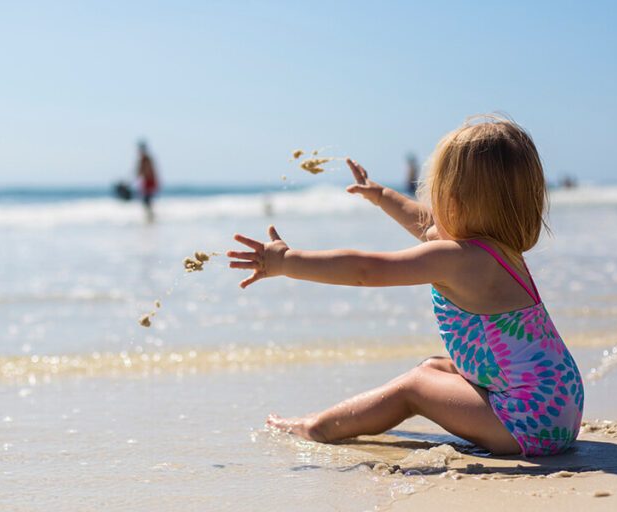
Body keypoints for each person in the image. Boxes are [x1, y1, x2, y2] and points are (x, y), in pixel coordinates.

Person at [227, 116, 584, 457]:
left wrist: (287, 262)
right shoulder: (499, 251)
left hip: (528, 423)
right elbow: (427, 225)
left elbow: (366, 269)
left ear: (454, 202)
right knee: (434, 367)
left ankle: (317, 427)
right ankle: (342, 420)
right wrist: (381, 195)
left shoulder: (460, 259)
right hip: (558, 406)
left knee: (414, 387)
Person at [135, 140, 160, 222]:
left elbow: (144, 172)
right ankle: (150, 217)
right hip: (148, 182)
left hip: (149, 182)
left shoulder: (146, 159)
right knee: (147, 201)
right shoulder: (145, 159)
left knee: (147, 200)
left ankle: (150, 217)